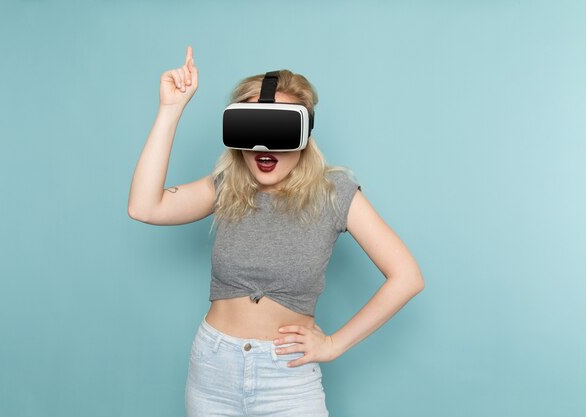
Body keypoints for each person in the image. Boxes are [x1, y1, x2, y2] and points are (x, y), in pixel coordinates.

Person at [128, 45, 425, 416]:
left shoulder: (335, 195)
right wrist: (170, 110)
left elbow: (407, 276)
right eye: (252, 128)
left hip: (287, 377)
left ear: (303, 134)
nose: (263, 145)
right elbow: (144, 206)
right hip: (212, 367)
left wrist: (333, 344)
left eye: (278, 129)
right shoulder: (226, 188)